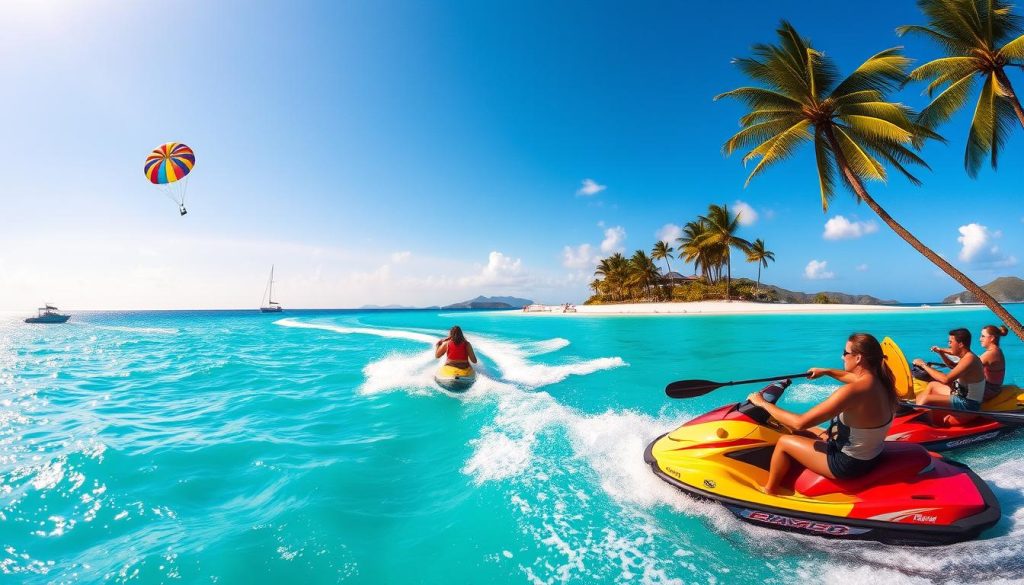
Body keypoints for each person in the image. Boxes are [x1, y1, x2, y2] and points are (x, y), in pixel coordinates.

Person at [747, 333, 897, 495]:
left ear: (858, 358)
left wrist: (763, 403)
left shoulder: (852, 392)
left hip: (847, 464)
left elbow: (800, 422)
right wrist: (826, 371)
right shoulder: (881, 382)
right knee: (805, 432)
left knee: (785, 441)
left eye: (845, 353)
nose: (842, 357)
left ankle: (769, 491)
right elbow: (850, 377)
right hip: (868, 455)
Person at [913, 328, 986, 420]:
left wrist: (923, 365)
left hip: (968, 404)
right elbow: (952, 365)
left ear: (960, 344)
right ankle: (919, 412)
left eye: (951, 342)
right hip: (960, 395)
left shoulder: (969, 359)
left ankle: (914, 418)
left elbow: (945, 379)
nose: (949, 345)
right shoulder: (966, 356)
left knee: (926, 398)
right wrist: (941, 352)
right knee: (932, 385)